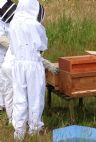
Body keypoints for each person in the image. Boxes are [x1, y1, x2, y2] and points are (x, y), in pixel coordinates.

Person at [8, 0, 54, 140]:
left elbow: (12, 45)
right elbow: (42, 45)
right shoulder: (35, 25)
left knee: (19, 96)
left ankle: (19, 132)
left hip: (18, 65)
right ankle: (35, 128)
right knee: (35, 96)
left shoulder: (13, 24)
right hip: (33, 64)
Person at [0, 0, 17, 111]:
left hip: (10, 56)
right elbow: (2, 38)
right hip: (2, 55)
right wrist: (15, 47)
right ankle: (2, 106)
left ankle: (8, 106)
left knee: (8, 83)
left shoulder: (13, 19)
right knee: (3, 82)